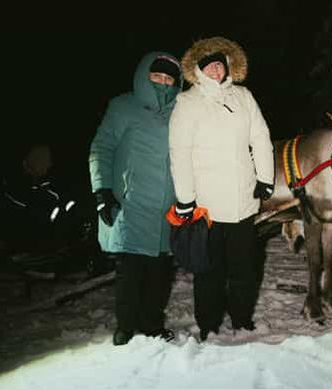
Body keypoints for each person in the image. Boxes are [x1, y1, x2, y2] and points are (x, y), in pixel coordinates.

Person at [168, 37, 274, 342]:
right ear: (199, 70)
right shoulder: (187, 103)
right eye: (209, 65)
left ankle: (242, 319)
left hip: (242, 202)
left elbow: (261, 139)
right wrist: (186, 199)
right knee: (209, 271)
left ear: (227, 67)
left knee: (244, 269)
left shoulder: (243, 96)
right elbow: (180, 153)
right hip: (207, 206)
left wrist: (265, 179)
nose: (216, 70)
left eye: (220, 64)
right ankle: (209, 324)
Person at [88, 52, 182, 345]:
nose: (163, 83)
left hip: (167, 207)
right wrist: (102, 190)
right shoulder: (122, 106)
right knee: (131, 271)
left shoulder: (181, 112)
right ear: (144, 76)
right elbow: (101, 148)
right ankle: (126, 326)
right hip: (131, 203)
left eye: (169, 78)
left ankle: (152, 324)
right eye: (157, 77)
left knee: (160, 271)